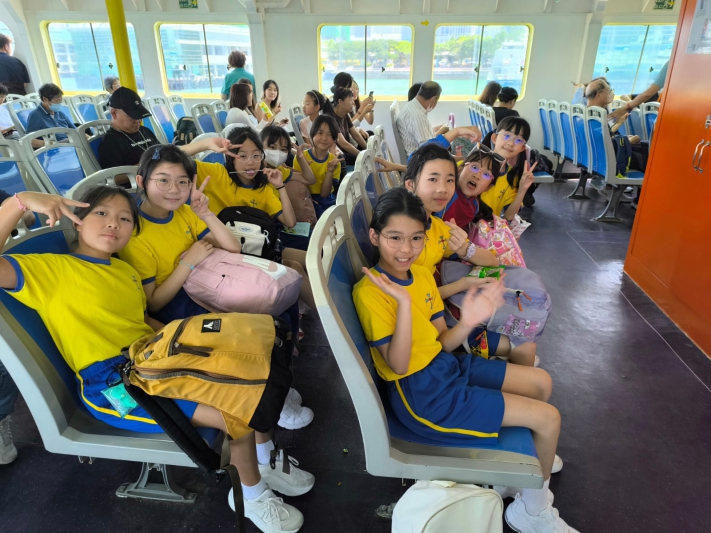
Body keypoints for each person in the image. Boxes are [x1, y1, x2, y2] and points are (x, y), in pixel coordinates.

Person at [0, 186, 313, 532]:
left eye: (124, 219)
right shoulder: (50, 270)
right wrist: (19, 202)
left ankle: (264, 460)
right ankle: (251, 495)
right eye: (101, 213)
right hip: (113, 384)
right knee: (234, 412)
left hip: (155, 357)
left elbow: (143, 321)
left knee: (251, 367)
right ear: (77, 221)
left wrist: (205, 347)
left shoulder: (125, 272)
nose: (113, 224)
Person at [352, 187, 575, 533]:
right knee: (549, 420)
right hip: (421, 396)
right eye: (394, 238)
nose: (406, 249)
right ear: (374, 236)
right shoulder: (370, 293)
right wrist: (405, 305)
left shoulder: (420, 275)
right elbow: (398, 365)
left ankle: (520, 475)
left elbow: (442, 343)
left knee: (540, 382)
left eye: (416, 238)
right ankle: (531, 511)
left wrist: (470, 321)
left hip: (444, 367)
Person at [118, 144, 313, 431]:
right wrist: (189, 262)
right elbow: (154, 303)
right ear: (141, 181)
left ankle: (278, 380)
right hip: (178, 301)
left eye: (182, 182)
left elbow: (232, 246)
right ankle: (266, 394)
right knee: (253, 327)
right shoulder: (136, 236)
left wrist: (205, 213)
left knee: (281, 303)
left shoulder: (184, 213)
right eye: (163, 180)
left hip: (204, 281)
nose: (174, 190)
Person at [404, 144, 537, 366]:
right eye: (433, 179)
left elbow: (491, 261)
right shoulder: (407, 241)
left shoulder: (439, 226)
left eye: (448, 180)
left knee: (521, 327)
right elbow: (419, 300)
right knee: (525, 344)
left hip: (445, 294)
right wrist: (464, 283)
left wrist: (466, 250)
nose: (443, 189)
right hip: (437, 325)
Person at [195, 127, 317, 314]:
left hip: (256, 250)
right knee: (294, 268)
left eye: (255, 155)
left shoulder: (264, 188)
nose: (250, 162)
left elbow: (290, 222)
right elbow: (169, 160)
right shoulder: (217, 174)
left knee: (311, 259)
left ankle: (329, 312)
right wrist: (205, 144)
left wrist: (280, 187)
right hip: (226, 253)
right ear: (230, 156)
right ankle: (329, 316)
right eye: (242, 156)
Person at [98, 87, 234, 169]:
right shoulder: (111, 143)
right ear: (114, 113)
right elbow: (115, 177)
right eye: (132, 117)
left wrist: (207, 143)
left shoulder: (144, 131)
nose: (138, 120)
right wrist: (149, 164)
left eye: (139, 116)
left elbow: (166, 153)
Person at [480, 117, 539, 222]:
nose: (511, 143)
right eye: (507, 136)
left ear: (522, 148)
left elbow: (509, 216)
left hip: (484, 229)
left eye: (518, 140)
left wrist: (522, 189)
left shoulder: (511, 178)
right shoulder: (475, 164)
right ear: (494, 138)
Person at [440, 144, 504, 230]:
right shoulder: (446, 193)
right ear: (460, 169)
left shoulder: (475, 205)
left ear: (488, 187)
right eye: (474, 167)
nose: (477, 176)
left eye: (486, 174)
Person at [293, 115, 341, 218]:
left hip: (326, 200)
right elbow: (298, 188)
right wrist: (304, 166)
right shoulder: (301, 157)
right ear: (312, 134)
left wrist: (330, 171)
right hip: (306, 199)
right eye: (320, 133)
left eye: (329, 134)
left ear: (334, 139)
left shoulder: (334, 162)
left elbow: (324, 194)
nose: (324, 138)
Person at [395, 81, 449, 155]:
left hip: (420, 154)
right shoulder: (417, 115)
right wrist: (445, 136)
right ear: (434, 99)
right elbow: (428, 148)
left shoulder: (412, 107)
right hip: (419, 158)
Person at [323, 87, 367, 170]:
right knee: (362, 160)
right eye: (350, 100)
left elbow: (355, 135)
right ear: (340, 102)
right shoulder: (331, 118)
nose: (353, 103)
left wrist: (368, 149)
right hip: (340, 155)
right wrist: (362, 155)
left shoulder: (345, 114)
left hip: (347, 151)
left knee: (366, 139)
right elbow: (343, 144)